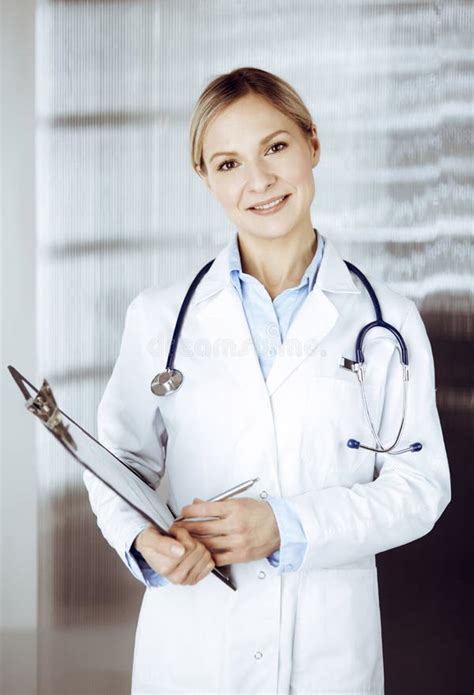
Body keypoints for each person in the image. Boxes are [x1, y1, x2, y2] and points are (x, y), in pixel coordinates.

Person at [83, 67, 451, 694]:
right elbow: (116, 462)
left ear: (313, 143)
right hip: (193, 642)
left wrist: (288, 526)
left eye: (275, 147)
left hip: (327, 648)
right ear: (205, 178)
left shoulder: (387, 321)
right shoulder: (159, 315)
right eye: (227, 164)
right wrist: (145, 540)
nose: (258, 181)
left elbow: (420, 489)